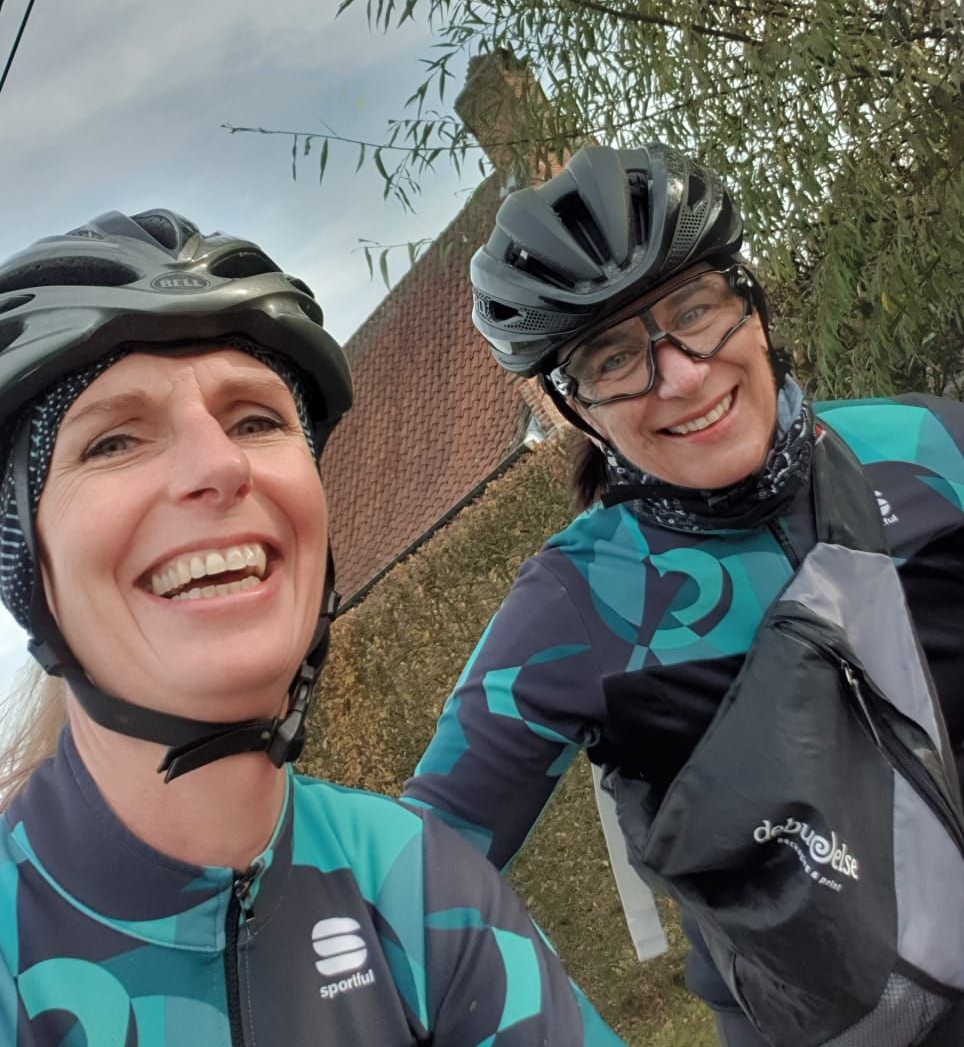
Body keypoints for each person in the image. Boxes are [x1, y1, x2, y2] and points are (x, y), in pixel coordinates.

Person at [403, 144, 964, 1046]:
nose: (680, 374)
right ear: (575, 407)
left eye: (695, 311)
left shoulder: (920, 453)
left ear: (751, 306)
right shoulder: (574, 605)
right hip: (807, 1022)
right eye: (613, 358)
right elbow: (409, 886)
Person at [0, 208, 625, 1047]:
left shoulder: (414, 883)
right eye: (113, 441)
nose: (220, 464)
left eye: (257, 420)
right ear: (23, 558)